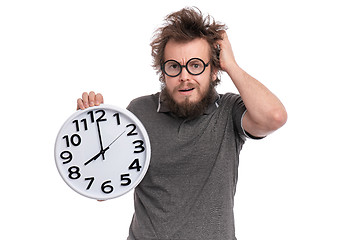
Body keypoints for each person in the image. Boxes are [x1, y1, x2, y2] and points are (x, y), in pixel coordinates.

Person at [77, 7, 287, 240]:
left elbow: (274, 117)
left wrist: (232, 66)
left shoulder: (228, 111)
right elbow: (103, 190)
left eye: (196, 65)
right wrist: (90, 132)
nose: (184, 76)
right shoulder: (139, 112)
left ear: (214, 70)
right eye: (174, 67)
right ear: (163, 72)